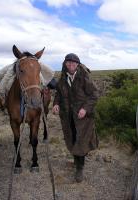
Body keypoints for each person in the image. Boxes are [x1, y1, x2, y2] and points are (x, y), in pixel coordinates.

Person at [52, 53, 98, 183]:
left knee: (81, 141)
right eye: (68, 62)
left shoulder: (84, 77)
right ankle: (76, 160)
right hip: (68, 116)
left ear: (77, 64)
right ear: (65, 64)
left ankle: (80, 168)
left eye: (73, 63)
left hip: (83, 117)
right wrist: (56, 104)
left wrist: (85, 109)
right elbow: (59, 95)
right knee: (71, 137)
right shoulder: (62, 78)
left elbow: (94, 94)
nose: (71, 65)